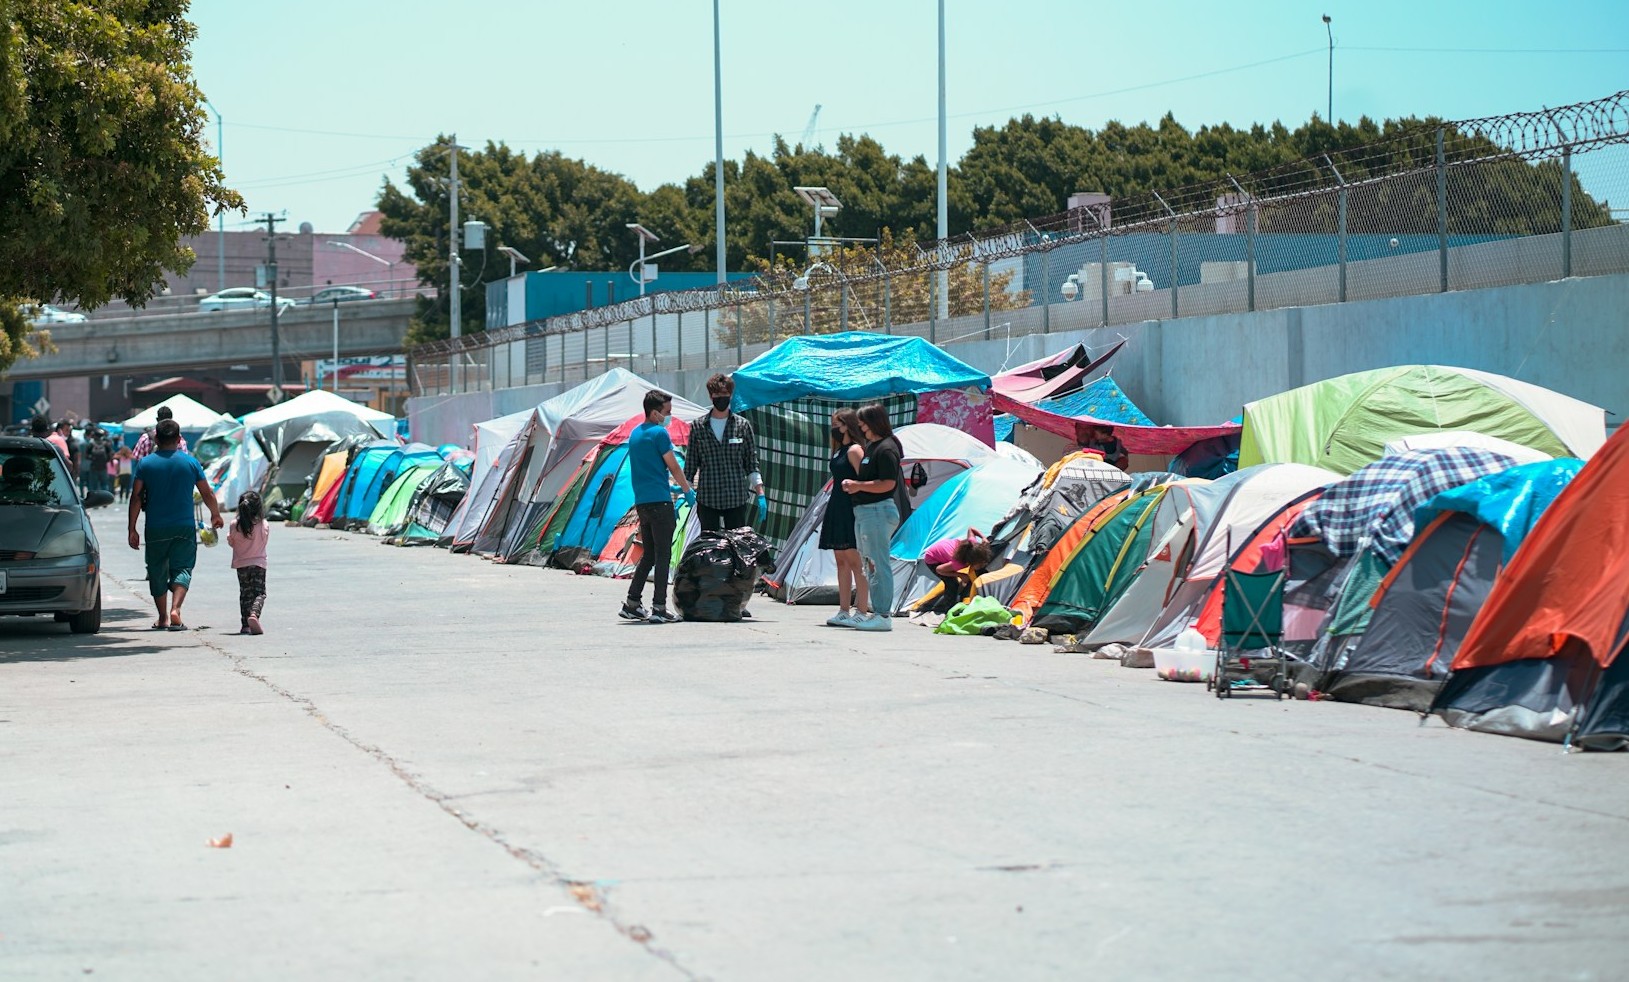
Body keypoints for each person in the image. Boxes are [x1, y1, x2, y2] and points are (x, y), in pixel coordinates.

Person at [129, 418, 222, 631]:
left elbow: (135, 497)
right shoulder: (190, 462)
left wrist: (131, 528)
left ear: (157, 439)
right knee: (182, 567)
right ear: (179, 439)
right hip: (184, 526)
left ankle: (162, 617)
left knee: (156, 569)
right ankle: (176, 610)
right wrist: (215, 514)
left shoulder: (146, 464)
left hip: (155, 527)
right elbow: (206, 492)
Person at [621, 390, 695, 625]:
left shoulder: (635, 435)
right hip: (661, 503)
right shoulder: (659, 433)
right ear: (655, 413)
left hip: (643, 502)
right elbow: (673, 466)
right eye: (667, 413)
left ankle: (632, 602)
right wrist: (686, 490)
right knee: (663, 555)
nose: (669, 417)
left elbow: (648, 469)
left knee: (649, 554)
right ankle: (659, 607)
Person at [840, 404, 907, 632]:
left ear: (873, 422)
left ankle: (883, 614)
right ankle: (877, 611)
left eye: (863, 423)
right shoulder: (873, 447)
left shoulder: (887, 448)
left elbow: (888, 483)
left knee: (878, 563)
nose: (861, 427)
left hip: (878, 511)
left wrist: (857, 485)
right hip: (867, 512)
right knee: (871, 564)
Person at [684, 373, 765, 531]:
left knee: (736, 545)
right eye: (717, 395)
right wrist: (684, 492)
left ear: (731, 395)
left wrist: (760, 493)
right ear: (710, 396)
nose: (721, 398)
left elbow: (751, 463)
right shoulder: (698, 426)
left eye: (725, 395)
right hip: (708, 498)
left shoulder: (742, 425)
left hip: (736, 497)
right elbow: (690, 465)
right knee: (710, 548)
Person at [820, 409, 869, 628]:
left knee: (855, 561)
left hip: (851, 508)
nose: (834, 429)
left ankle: (862, 609)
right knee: (841, 560)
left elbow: (864, 480)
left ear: (848, 425)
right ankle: (843, 610)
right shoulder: (839, 451)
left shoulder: (855, 450)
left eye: (837, 425)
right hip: (837, 505)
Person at [922, 528, 994, 616]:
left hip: (944, 548)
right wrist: (959, 574)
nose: (983, 565)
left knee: (954, 579)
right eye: (980, 563)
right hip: (933, 559)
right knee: (952, 583)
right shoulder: (958, 563)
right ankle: (949, 611)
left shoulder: (973, 545)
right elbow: (939, 570)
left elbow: (971, 529)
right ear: (970, 561)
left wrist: (983, 538)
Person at [228, 490, 270, 635]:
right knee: (259, 593)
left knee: (244, 594)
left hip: (241, 565)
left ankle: (245, 625)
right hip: (258, 564)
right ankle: (254, 614)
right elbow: (264, 541)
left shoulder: (234, 525)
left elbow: (231, 542)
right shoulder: (263, 524)